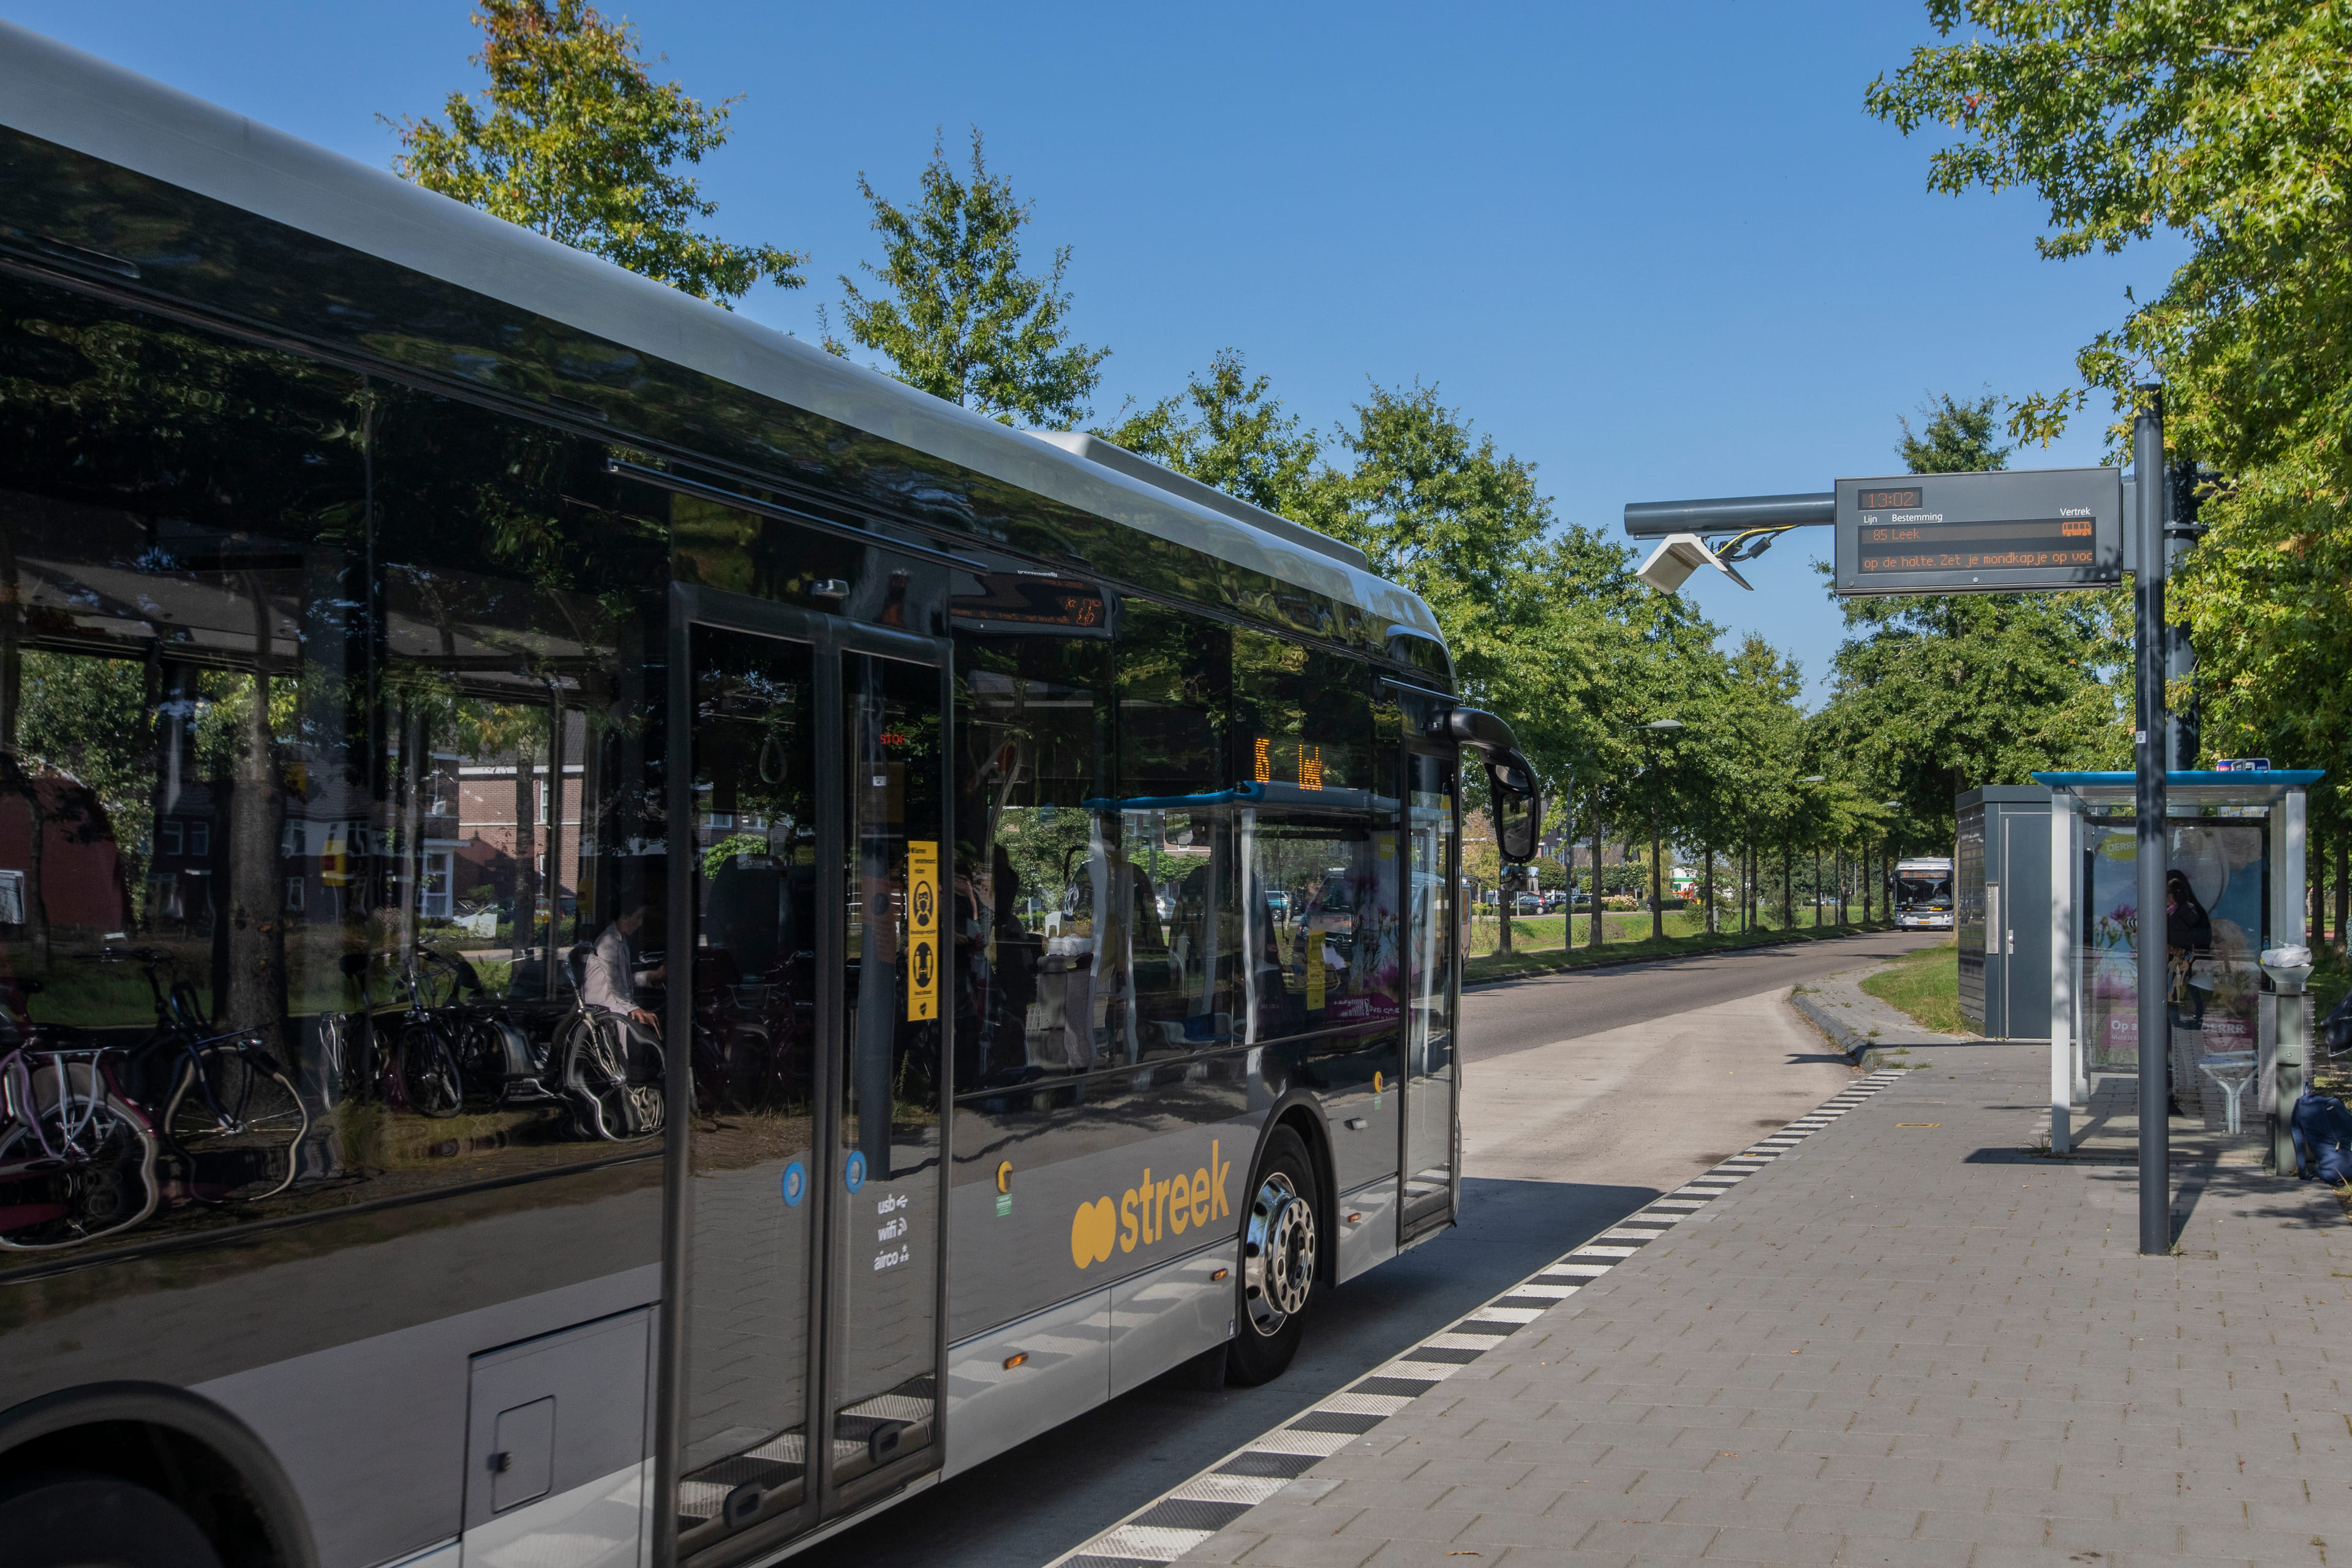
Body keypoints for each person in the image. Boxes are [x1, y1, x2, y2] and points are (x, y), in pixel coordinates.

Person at [584, 899, 665, 1038]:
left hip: (615, 1006)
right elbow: (615, 985)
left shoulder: (621, 942)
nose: (640, 923)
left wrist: (652, 976)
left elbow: (625, 980)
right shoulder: (608, 942)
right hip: (605, 1009)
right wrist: (634, 1009)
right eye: (638, 917)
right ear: (624, 917)